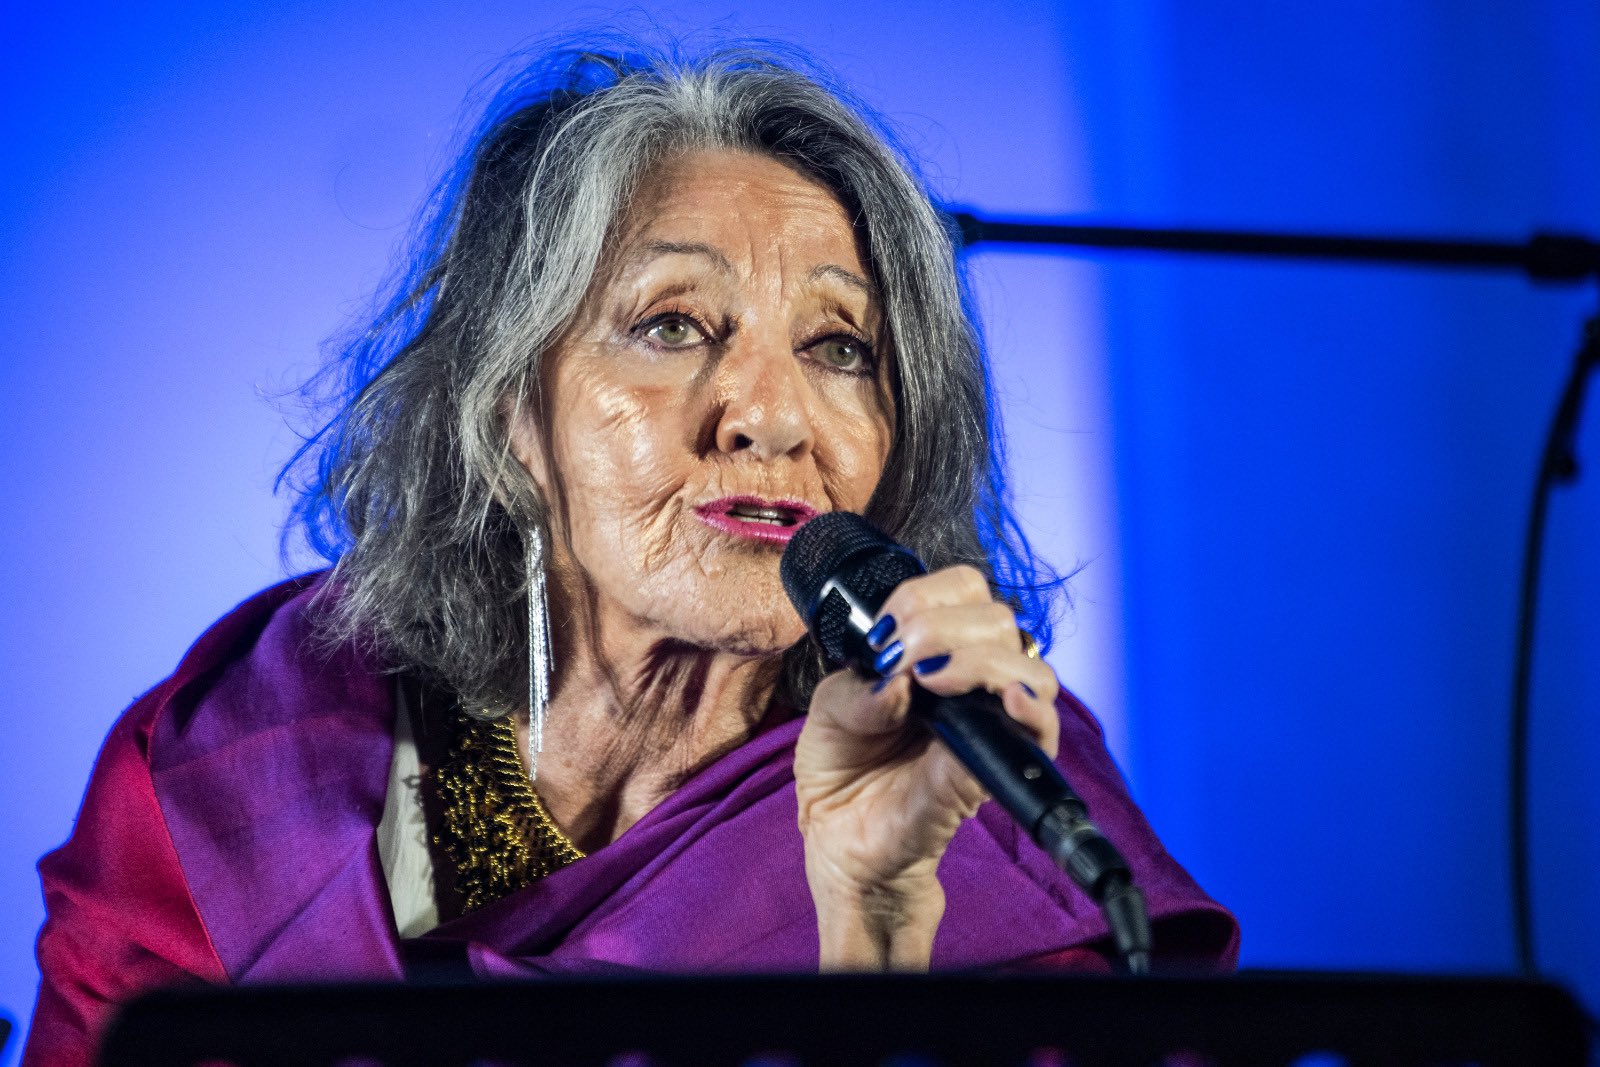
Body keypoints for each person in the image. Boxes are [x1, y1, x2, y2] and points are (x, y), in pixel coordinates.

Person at [22, 38, 1237, 1065]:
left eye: (840, 348)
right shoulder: (241, 753)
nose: (770, 413)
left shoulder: (997, 778)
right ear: (512, 417)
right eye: (672, 324)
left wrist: (874, 921)